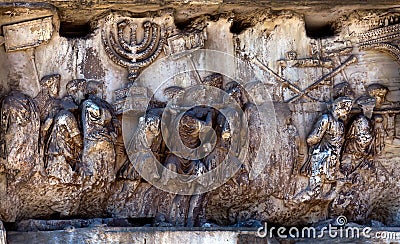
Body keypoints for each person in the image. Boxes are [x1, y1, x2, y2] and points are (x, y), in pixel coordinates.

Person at [299, 96, 353, 199]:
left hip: (332, 161)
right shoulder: (326, 119)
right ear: (339, 107)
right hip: (321, 159)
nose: (347, 112)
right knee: (314, 191)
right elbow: (312, 138)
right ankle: (293, 203)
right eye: (346, 108)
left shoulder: (340, 124)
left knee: (333, 186)